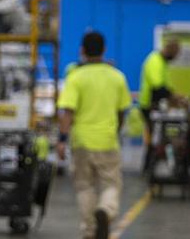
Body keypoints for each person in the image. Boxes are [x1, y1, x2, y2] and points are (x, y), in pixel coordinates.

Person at [57, 31, 132, 239]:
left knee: (84, 187)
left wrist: (62, 141)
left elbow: (67, 112)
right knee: (111, 184)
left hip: (81, 141)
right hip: (107, 140)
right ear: (104, 50)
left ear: (82, 50)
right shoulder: (117, 76)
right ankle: (106, 211)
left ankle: (90, 231)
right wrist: (114, 131)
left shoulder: (75, 77)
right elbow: (122, 111)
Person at [138, 38, 181, 172]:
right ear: (169, 50)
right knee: (153, 139)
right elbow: (158, 87)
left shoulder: (163, 63)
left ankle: (152, 167)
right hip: (149, 105)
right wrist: (173, 97)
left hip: (156, 106)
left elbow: (166, 85)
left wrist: (175, 96)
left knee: (157, 137)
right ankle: (148, 169)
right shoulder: (155, 61)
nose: (175, 57)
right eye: (175, 54)